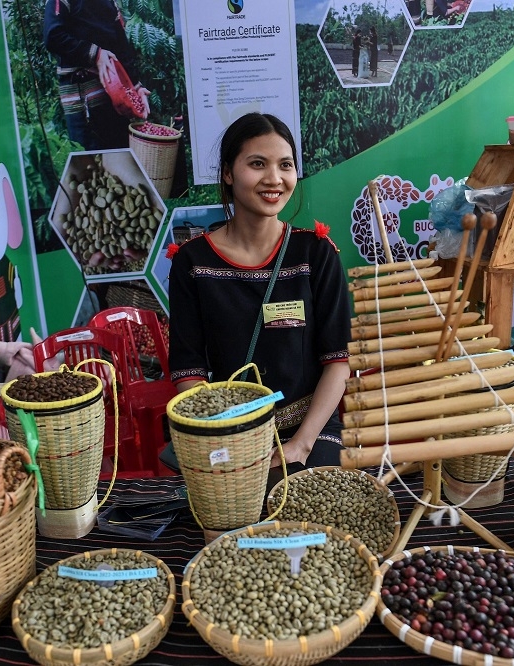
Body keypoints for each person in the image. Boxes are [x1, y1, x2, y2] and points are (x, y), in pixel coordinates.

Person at [168, 113, 351, 479]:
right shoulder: (193, 262)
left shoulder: (315, 254)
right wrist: (230, 437)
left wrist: (300, 444)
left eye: (285, 165)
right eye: (257, 164)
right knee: (239, 513)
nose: (274, 179)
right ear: (228, 173)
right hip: (229, 431)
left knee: (308, 500)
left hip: (311, 427)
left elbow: (338, 362)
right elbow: (188, 371)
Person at [43, 0, 150, 151]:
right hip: (84, 101)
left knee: (120, 158)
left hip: (114, 98)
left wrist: (136, 87)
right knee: (92, 165)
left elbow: (120, 45)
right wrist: (95, 54)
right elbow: (53, 36)